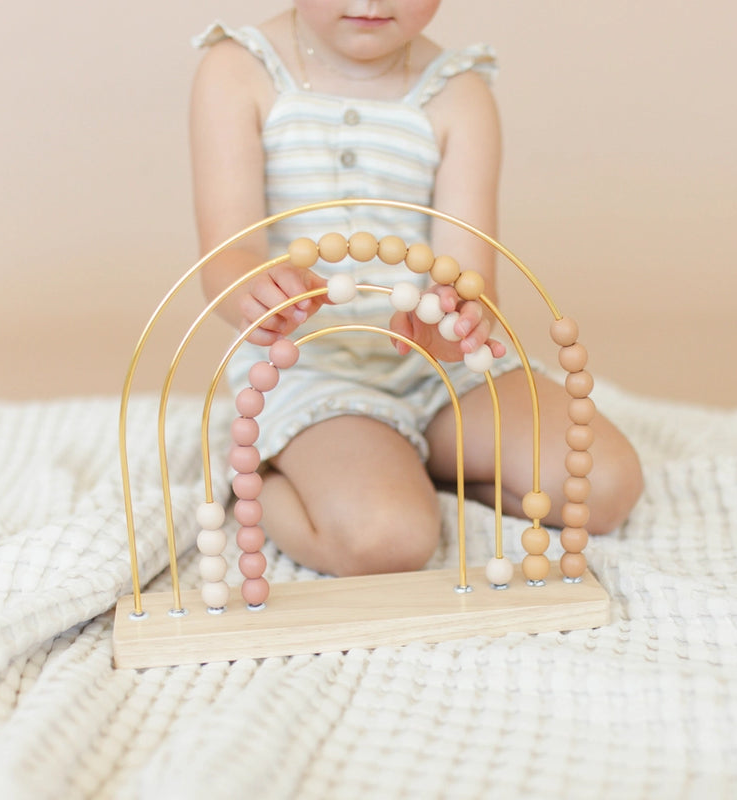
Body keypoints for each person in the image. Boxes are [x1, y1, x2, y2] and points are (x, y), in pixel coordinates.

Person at [189, 1, 643, 577]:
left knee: (603, 484)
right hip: (305, 369)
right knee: (386, 540)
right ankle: (274, 474)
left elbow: (470, 276)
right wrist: (255, 289)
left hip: (434, 373)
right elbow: (226, 257)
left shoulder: (457, 93)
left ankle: (404, 462)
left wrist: (455, 318)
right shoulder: (237, 70)